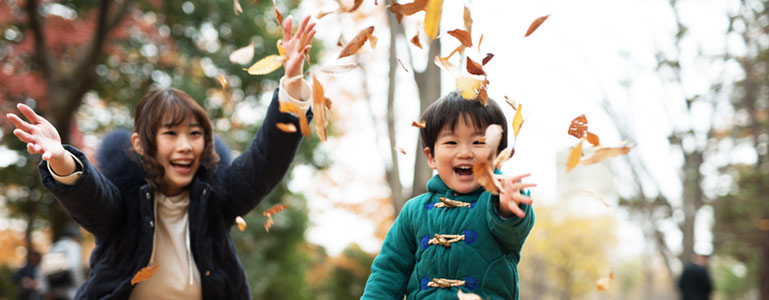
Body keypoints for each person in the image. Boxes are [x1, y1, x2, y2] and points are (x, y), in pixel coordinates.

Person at [6, 15, 317, 299]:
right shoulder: (124, 202)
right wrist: (61, 160)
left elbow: (264, 161)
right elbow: (92, 198)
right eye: (171, 134)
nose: (185, 146)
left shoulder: (217, 197)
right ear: (141, 144)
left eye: (195, 134)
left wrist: (291, 85)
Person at [361, 91, 536, 299]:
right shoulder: (413, 212)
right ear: (431, 156)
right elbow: (389, 270)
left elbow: (512, 229)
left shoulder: (495, 201)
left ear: (499, 154)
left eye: (479, 142)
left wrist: (507, 206)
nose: (464, 152)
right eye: (451, 143)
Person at [42, 224, 84, 300]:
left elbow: (43, 270)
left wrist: (46, 290)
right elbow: (75, 267)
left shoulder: (53, 246)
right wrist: (81, 286)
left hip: (54, 288)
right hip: (70, 289)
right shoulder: (73, 246)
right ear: (74, 236)